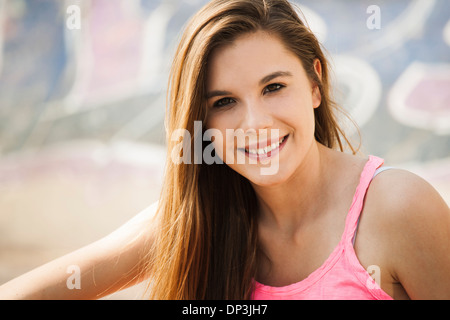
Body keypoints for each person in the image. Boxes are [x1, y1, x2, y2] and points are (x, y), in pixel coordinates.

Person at [1, 0, 449, 300]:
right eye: (225, 102)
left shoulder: (397, 208)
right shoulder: (193, 220)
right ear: (203, 123)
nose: (254, 124)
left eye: (274, 87)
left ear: (315, 84)